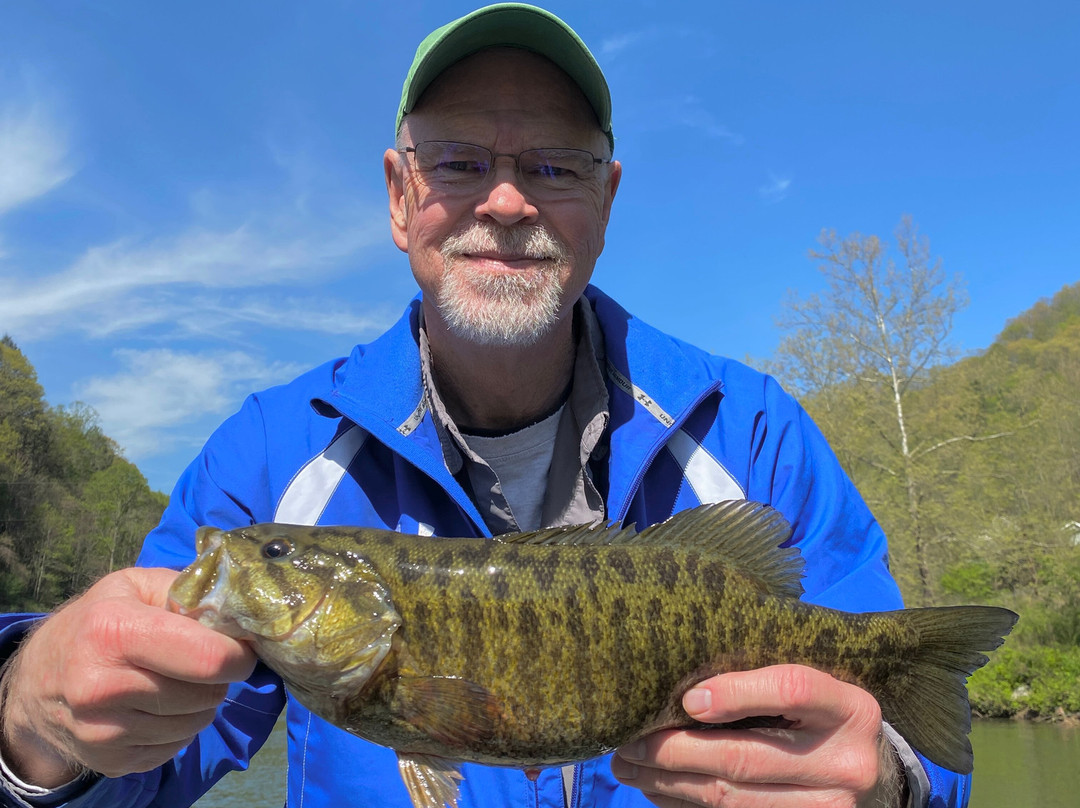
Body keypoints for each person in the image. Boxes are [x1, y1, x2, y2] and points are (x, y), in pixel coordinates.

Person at [0, 4, 970, 808]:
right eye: (460, 161)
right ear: (397, 195)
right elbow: (136, 768)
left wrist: (887, 779)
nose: (507, 202)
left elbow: (931, 765)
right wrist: (30, 718)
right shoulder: (266, 465)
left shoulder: (755, 436)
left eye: (554, 166)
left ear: (608, 202)